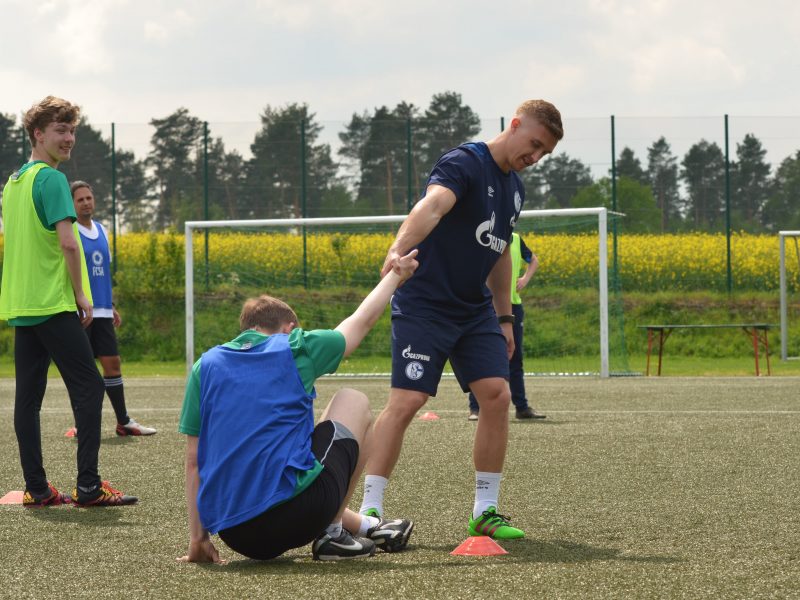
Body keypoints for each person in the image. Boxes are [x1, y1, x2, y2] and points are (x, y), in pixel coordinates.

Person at [357, 99, 563, 540]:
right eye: (534, 144)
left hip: (474, 310)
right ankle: (370, 509)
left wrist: (505, 317)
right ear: (515, 125)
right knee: (407, 402)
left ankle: (485, 511)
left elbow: (501, 254)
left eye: (544, 152)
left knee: (496, 395)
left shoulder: (515, 190)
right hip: (425, 303)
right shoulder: (465, 162)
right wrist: (396, 250)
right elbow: (431, 207)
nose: (536, 157)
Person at [177, 250, 419, 563]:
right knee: (352, 400)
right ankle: (331, 534)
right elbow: (361, 321)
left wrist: (198, 539)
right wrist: (396, 276)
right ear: (289, 327)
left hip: (239, 536)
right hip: (302, 513)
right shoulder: (294, 345)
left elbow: (194, 461)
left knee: (295, 455)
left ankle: (365, 525)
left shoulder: (203, 366)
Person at [0, 96, 136, 507]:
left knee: (27, 399)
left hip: (23, 306)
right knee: (90, 388)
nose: (69, 138)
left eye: (72, 130)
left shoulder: (13, 182)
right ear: (38, 134)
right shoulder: (52, 180)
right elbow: (67, 244)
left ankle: (37, 489)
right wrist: (82, 296)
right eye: (60, 130)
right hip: (53, 303)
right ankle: (90, 487)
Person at [70, 181, 157, 437]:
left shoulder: (102, 230)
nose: (86, 202)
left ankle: (124, 422)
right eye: (80, 199)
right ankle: (81, 424)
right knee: (83, 371)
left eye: (89, 198)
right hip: (81, 313)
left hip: (104, 312)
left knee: (113, 364)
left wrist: (112, 305)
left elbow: (103, 273)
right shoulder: (69, 232)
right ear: (72, 204)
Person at [468, 232, 546, 421]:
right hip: (485, 306)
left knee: (515, 357)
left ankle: (522, 407)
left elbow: (533, 260)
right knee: (481, 355)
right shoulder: (483, 236)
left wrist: (525, 279)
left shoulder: (517, 239)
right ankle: (475, 408)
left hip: (513, 306)